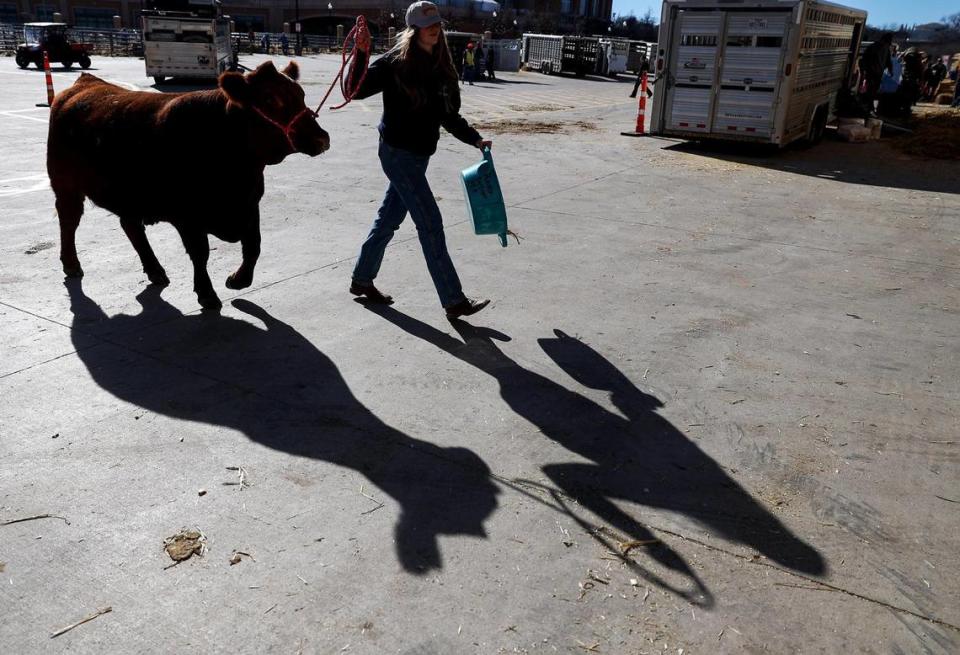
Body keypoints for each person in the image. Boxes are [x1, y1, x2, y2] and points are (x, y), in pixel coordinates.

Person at [345, 1, 492, 319]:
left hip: (420, 156)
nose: (434, 29)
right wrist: (360, 54)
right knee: (430, 222)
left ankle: (361, 279)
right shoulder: (394, 63)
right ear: (413, 30)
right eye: (428, 25)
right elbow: (353, 91)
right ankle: (453, 300)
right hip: (396, 153)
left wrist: (475, 138)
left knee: (388, 220)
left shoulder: (442, 66)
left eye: (437, 23)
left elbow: (449, 116)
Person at [859, 33, 894, 114]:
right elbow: (888, 61)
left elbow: (864, 58)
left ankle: (868, 106)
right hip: (876, 72)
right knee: (872, 90)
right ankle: (868, 107)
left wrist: (864, 69)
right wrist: (890, 70)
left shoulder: (874, 46)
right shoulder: (885, 49)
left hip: (872, 72)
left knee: (871, 89)